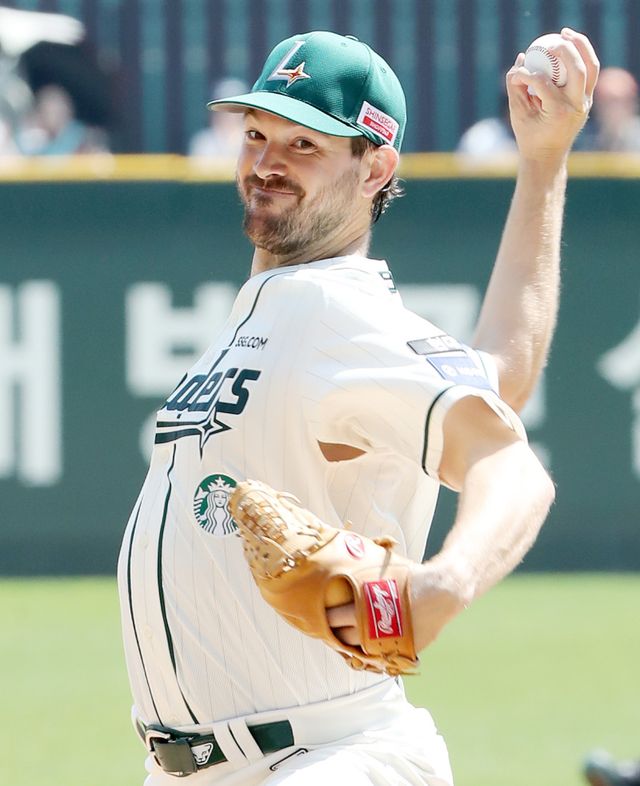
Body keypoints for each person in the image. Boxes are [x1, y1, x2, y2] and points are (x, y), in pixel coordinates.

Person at [118, 28, 598, 786]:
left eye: (304, 144)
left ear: (374, 168)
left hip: (324, 756)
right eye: (256, 133)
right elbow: (500, 383)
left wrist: (447, 582)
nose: (266, 162)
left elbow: (510, 464)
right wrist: (542, 163)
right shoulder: (277, 310)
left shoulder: (331, 310)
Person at [576, 66, 640, 152]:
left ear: (632, 103)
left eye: (617, 101)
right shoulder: (585, 139)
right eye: (605, 101)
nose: (613, 109)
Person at [188, 77, 249, 159]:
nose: (229, 114)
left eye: (235, 108)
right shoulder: (204, 141)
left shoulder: (251, 139)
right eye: (224, 107)